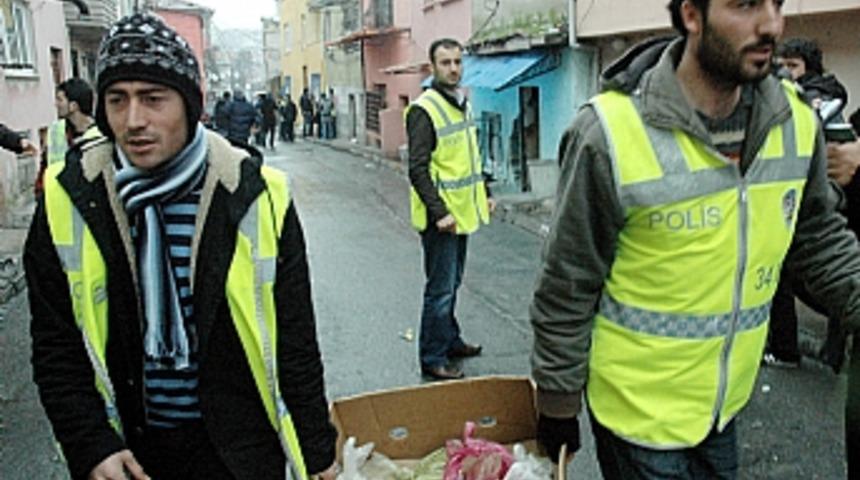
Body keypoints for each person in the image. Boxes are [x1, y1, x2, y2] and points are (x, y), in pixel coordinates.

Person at [530, 1, 860, 477]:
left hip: (722, 409)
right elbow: (567, 282)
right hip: (635, 416)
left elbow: (818, 238)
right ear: (692, 14)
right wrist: (557, 404)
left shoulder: (796, 123)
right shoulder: (607, 133)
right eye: (745, 4)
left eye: (777, 4)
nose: (771, 24)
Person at [24, 12, 337, 480]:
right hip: (130, 454)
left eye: (153, 99)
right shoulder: (72, 196)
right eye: (117, 100)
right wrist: (90, 445)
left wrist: (317, 450)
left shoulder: (254, 193)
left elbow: (294, 338)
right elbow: (56, 344)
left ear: (189, 104)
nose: (134, 121)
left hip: (240, 453)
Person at [404, 38, 496, 380]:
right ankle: (432, 357)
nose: (454, 68)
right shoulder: (424, 110)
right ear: (432, 67)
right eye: (446, 63)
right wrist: (439, 212)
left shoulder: (461, 103)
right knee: (440, 289)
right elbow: (417, 168)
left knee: (453, 283)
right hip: (441, 219)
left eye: (458, 62)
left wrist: (484, 190)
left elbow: (470, 156)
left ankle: (451, 340)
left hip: (462, 215)